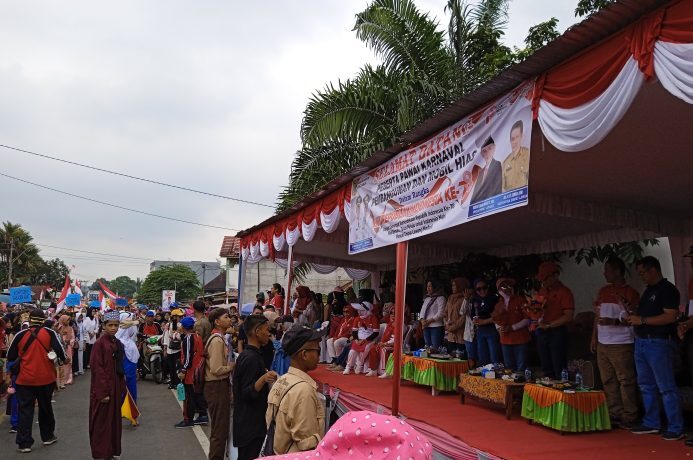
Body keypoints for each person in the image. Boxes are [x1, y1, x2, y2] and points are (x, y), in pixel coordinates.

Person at [627, 256, 684, 441]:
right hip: (642, 341)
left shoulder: (667, 290)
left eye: (643, 272)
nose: (642, 276)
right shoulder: (648, 291)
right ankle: (652, 421)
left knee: (666, 386)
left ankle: (676, 426)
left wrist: (642, 320)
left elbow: (670, 316)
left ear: (653, 270)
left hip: (658, 342)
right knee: (645, 385)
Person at [588, 257, 640, 429]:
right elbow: (597, 316)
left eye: (607, 270)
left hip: (622, 342)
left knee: (625, 380)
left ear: (618, 271)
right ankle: (614, 412)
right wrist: (594, 337)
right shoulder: (603, 291)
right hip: (603, 342)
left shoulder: (630, 292)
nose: (604, 273)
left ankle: (630, 414)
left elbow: (634, 318)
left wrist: (614, 322)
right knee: (608, 379)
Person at [7, 309, 67, 453]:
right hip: (46, 379)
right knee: (45, 408)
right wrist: (64, 360)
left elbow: (10, 355)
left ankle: (24, 443)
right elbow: (61, 352)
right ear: (43, 318)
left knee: (25, 410)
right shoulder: (50, 333)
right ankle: (47, 437)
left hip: (24, 379)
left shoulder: (20, 334)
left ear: (30, 319)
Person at [265, 324, 326, 455]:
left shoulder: (282, 380)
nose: (319, 355)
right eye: (317, 350)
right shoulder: (304, 391)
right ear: (304, 355)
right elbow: (307, 444)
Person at [233, 314, 278, 460]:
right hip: (250, 426)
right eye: (266, 329)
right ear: (257, 331)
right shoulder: (251, 358)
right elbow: (247, 393)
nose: (269, 333)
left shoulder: (250, 355)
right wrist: (264, 378)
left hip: (250, 424)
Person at [89, 309, 126, 460]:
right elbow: (98, 369)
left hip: (115, 386)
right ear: (104, 325)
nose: (113, 328)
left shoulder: (115, 342)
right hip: (103, 389)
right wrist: (103, 393)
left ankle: (111, 450)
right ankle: (101, 453)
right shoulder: (100, 344)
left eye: (116, 325)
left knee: (113, 421)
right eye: (110, 325)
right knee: (101, 422)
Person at [535, 261, 574, 378]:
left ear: (555, 276)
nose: (543, 281)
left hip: (557, 332)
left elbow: (568, 315)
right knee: (546, 367)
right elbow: (536, 310)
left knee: (559, 367)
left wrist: (550, 325)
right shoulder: (542, 291)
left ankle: (560, 394)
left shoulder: (565, 292)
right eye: (542, 279)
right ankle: (548, 394)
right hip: (542, 331)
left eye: (546, 278)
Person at [204, 308, 234, 460]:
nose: (230, 319)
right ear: (217, 321)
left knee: (221, 429)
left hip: (219, 386)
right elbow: (216, 369)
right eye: (226, 317)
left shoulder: (220, 338)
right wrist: (231, 367)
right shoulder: (216, 340)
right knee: (219, 431)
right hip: (216, 387)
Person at [175, 316, 209, 428]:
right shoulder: (197, 336)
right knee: (197, 394)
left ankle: (188, 419)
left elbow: (188, 357)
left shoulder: (189, 338)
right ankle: (203, 415)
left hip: (191, 372)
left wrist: (183, 369)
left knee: (188, 396)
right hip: (198, 370)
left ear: (184, 327)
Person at [492, 278, 531, 371]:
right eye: (503, 286)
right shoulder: (498, 305)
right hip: (505, 340)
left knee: (522, 369)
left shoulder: (521, 300)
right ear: (499, 290)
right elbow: (495, 320)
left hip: (521, 340)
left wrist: (512, 327)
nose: (507, 288)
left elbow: (528, 319)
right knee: (509, 370)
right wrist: (499, 328)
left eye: (509, 286)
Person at [343, 302, 379, 375]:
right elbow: (354, 331)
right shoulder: (357, 319)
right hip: (358, 340)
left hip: (369, 340)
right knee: (352, 352)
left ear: (367, 310)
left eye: (362, 310)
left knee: (365, 350)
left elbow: (375, 333)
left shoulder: (373, 318)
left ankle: (359, 365)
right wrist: (356, 340)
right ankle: (348, 367)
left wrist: (365, 340)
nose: (359, 312)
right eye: (358, 310)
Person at [471, 278, 501, 366]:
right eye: (479, 289)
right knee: (482, 357)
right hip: (480, 331)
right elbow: (472, 314)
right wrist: (474, 320)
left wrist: (484, 321)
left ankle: (496, 375)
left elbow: (497, 316)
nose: (482, 290)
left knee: (494, 356)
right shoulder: (474, 300)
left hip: (492, 329)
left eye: (484, 288)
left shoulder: (494, 299)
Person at [115, 311, 140, 404]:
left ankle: (127, 403)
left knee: (126, 380)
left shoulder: (120, 335)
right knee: (127, 380)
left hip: (128, 356)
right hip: (129, 354)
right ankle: (130, 403)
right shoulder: (120, 334)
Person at [471, 136, 502, 203]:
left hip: (493, 204)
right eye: (484, 151)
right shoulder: (481, 172)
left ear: (494, 148)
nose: (487, 153)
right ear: (482, 154)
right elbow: (474, 195)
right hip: (480, 207)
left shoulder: (497, 165)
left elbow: (498, 188)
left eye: (489, 148)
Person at [501, 119, 530, 192]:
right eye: (512, 139)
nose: (515, 141)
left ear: (521, 136)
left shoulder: (528, 155)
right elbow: (502, 189)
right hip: (511, 201)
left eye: (517, 137)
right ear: (510, 141)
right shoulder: (505, 163)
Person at [326, 304, 356, 369]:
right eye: (344, 312)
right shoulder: (343, 319)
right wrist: (334, 336)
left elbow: (349, 333)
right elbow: (338, 329)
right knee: (329, 341)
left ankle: (339, 361)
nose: (345, 313)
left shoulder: (353, 320)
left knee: (337, 342)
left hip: (347, 338)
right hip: (340, 337)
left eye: (347, 312)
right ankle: (334, 359)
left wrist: (337, 338)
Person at [419, 280, 446, 349]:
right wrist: (422, 321)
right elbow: (422, 311)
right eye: (427, 286)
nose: (428, 288)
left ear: (435, 287)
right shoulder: (427, 299)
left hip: (436, 326)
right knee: (427, 347)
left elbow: (441, 313)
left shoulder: (441, 298)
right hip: (426, 326)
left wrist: (428, 321)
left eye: (430, 286)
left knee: (435, 348)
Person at [444, 277, 468, 354]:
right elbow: (445, 313)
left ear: (460, 286)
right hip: (450, 334)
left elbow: (464, 315)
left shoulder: (465, 298)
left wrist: (454, 326)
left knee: (460, 357)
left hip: (460, 333)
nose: (453, 287)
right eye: (452, 285)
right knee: (451, 356)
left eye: (454, 285)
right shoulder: (450, 297)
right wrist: (446, 324)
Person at [163, 308, 184, 389]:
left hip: (178, 350)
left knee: (177, 368)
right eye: (179, 316)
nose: (180, 318)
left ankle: (178, 383)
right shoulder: (168, 325)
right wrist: (165, 348)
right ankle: (173, 382)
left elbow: (181, 338)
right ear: (174, 317)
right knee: (171, 367)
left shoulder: (181, 326)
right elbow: (165, 337)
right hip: (169, 350)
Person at [56, 315, 75, 388]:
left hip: (68, 348)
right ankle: (61, 381)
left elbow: (73, 337)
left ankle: (68, 379)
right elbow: (57, 338)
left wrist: (69, 342)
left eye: (69, 320)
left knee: (68, 363)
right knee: (61, 364)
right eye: (67, 320)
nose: (68, 321)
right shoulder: (58, 328)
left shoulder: (71, 328)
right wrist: (63, 342)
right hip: (61, 348)